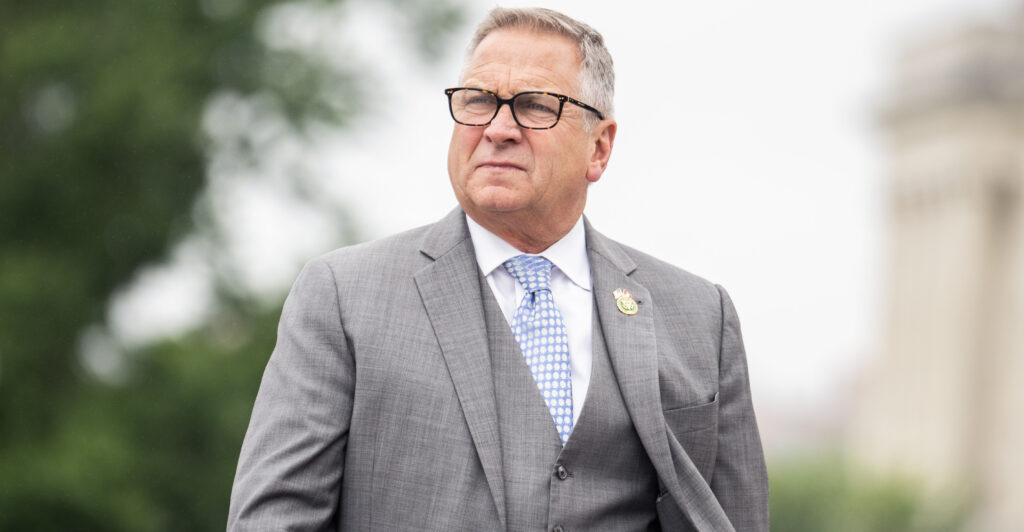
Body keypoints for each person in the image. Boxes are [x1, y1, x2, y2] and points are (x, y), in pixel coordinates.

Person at [227, 7, 768, 531]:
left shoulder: (701, 316)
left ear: (599, 148)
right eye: (479, 100)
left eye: (534, 106)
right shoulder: (345, 297)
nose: (498, 128)